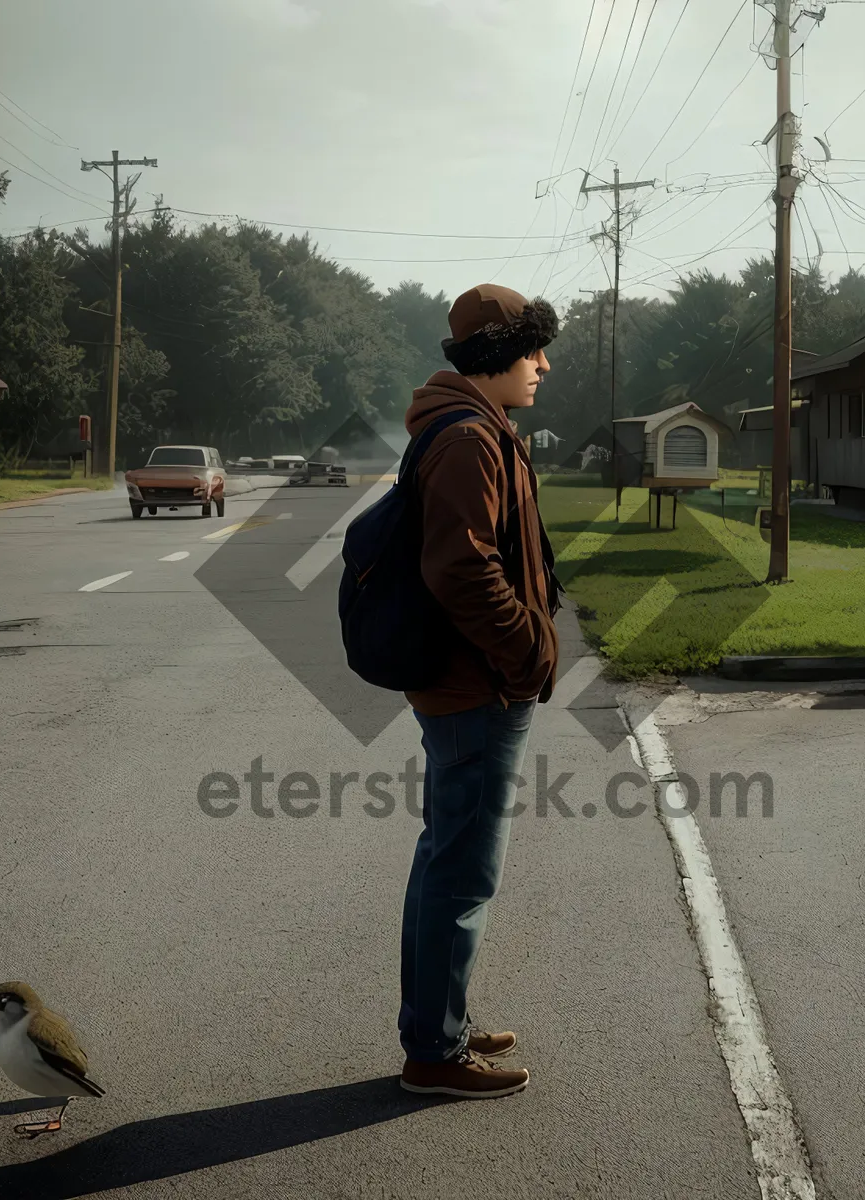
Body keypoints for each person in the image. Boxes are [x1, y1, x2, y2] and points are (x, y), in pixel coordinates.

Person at [398, 284, 560, 1099]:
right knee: (461, 874)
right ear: (496, 354)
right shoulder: (468, 438)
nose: (543, 365)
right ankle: (434, 1053)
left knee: (446, 866)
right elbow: (460, 569)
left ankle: (441, 1025)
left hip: (468, 685)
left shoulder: (474, 426)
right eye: (533, 351)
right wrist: (528, 653)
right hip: (477, 689)